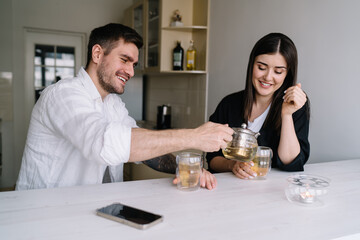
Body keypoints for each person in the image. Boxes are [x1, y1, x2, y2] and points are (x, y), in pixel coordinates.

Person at [16, 23, 233, 190]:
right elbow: (103, 143)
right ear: (97, 54)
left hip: (94, 210)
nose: (130, 71)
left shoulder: (113, 104)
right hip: (47, 214)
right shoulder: (62, 96)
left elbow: (143, 149)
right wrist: (194, 137)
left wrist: (185, 166)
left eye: (134, 64)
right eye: (124, 60)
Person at [206, 32, 310, 179]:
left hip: (271, 193)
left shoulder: (296, 105)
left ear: (287, 74)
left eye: (278, 71)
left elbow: (291, 163)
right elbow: (212, 158)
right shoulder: (229, 104)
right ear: (252, 65)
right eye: (261, 67)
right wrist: (232, 165)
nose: (267, 77)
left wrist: (286, 114)